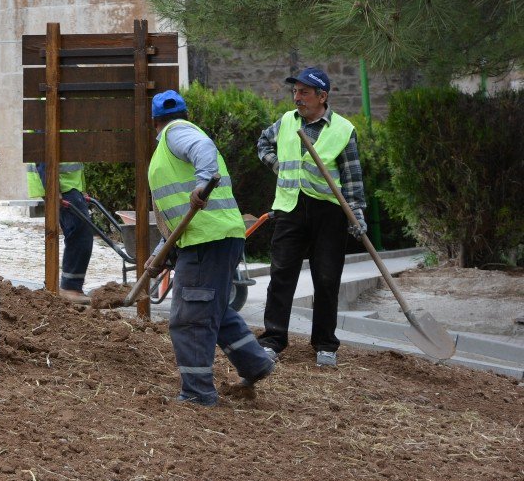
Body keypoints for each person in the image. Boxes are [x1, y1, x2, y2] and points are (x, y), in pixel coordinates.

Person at [145, 90, 274, 406]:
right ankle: (255, 362)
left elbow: (204, 150)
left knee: (190, 318)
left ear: (154, 123)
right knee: (212, 309)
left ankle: (197, 393)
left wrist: (203, 184)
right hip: (210, 238)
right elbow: (178, 215)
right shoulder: (174, 143)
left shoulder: (175, 133)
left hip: (208, 241)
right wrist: (162, 250)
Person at [256, 67, 367, 367]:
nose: (297, 97)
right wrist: (279, 167)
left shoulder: (343, 129)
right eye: (295, 92)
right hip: (290, 208)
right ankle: (273, 340)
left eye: (304, 92)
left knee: (328, 278)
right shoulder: (286, 123)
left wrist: (356, 215)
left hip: (329, 212)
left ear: (322, 96)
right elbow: (262, 145)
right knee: (281, 276)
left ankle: (325, 345)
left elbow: (352, 178)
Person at [26, 163, 94, 304]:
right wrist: (52, 187)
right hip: (62, 184)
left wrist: (82, 188)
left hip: (69, 185)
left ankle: (73, 287)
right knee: (80, 232)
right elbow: (44, 154)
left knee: (80, 232)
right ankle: (70, 288)